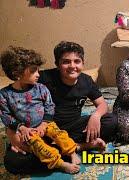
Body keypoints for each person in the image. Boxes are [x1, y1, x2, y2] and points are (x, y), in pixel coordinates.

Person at [4, 41, 118, 174]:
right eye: (66, 62)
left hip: (73, 128)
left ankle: (58, 151)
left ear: (83, 63)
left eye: (77, 61)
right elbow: (14, 103)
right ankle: (77, 148)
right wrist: (12, 135)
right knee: (13, 163)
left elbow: (102, 104)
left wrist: (96, 116)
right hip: (43, 130)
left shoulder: (86, 80)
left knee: (112, 121)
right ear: (57, 64)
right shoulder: (43, 78)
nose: (72, 66)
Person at [0, 46, 80, 174]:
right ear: (17, 73)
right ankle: (60, 163)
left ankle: (72, 153)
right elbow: (6, 116)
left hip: (45, 124)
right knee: (38, 147)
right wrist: (22, 128)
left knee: (61, 134)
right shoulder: (5, 95)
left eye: (38, 70)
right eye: (33, 71)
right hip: (28, 132)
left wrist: (44, 123)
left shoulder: (41, 88)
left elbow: (49, 106)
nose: (38, 74)